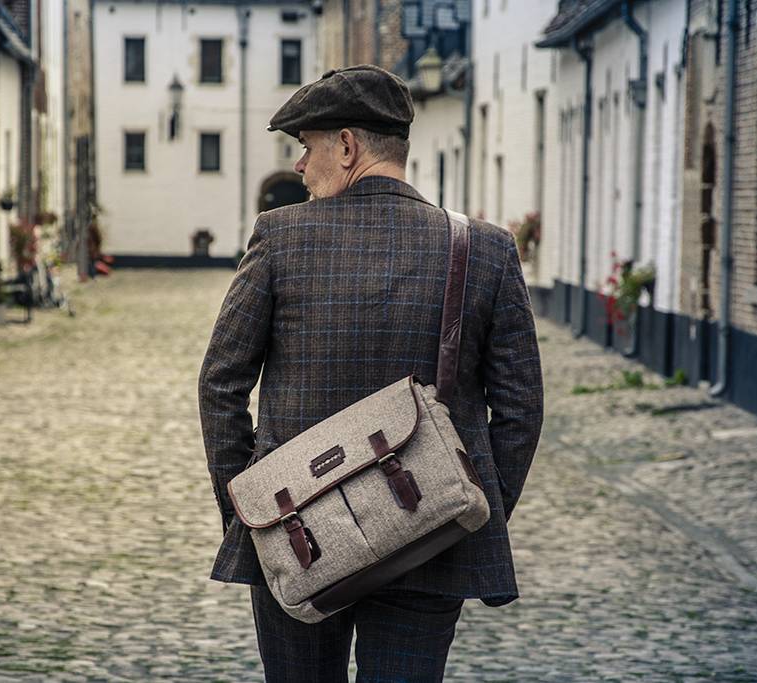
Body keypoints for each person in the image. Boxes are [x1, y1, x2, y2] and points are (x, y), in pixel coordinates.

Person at [198, 64, 544, 682]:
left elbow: (221, 382)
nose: (300, 168)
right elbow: (521, 410)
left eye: (307, 149)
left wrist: (250, 515)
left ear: (348, 146)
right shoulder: (486, 248)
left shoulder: (280, 238)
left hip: (297, 531)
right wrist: (465, 506)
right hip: (430, 531)